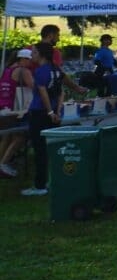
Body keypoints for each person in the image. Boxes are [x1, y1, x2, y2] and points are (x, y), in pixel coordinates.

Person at [18, 46, 59, 195]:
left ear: (41, 55)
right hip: (50, 112)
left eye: (34, 52)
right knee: (49, 149)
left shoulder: (40, 71)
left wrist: (49, 111)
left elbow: (43, 93)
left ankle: (40, 185)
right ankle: (50, 180)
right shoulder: (55, 70)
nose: (32, 55)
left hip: (40, 113)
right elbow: (60, 93)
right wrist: (56, 111)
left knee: (40, 150)